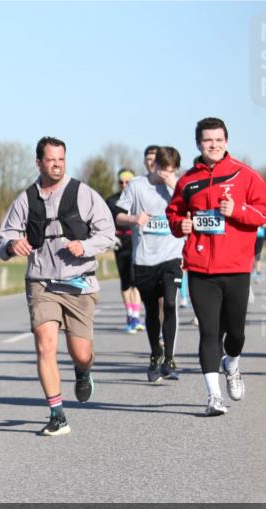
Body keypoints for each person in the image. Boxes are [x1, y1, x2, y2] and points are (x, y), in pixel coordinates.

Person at [0, 136, 115, 436]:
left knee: (81, 352)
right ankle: (56, 414)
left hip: (79, 283)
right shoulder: (25, 199)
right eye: (51, 159)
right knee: (45, 345)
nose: (57, 164)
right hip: (42, 282)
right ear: (39, 163)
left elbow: (108, 233)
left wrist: (85, 247)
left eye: (61, 159)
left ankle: (83, 371)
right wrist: (12, 245)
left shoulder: (83, 194)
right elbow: (3, 240)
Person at [166, 117, 266, 416]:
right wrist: (181, 224)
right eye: (207, 140)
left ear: (226, 142)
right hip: (201, 268)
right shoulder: (188, 181)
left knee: (236, 334)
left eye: (218, 140)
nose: (213, 145)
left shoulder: (244, 174)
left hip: (236, 266)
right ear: (199, 144)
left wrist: (237, 209)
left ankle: (233, 363)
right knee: (209, 332)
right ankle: (214, 397)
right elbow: (174, 214)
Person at [115, 147, 185, 383]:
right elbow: (117, 215)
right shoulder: (137, 185)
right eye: (164, 169)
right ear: (154, 166)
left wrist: (174, 184)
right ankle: (156, 353)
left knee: (171, 302)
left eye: (172, 170)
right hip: (144, 259)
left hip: (172, 255)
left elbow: (194, 206)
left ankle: (170, 359)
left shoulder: (180, 185)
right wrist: (134, 219)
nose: (167, 174)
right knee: (153, 310)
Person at [107, 169, 141, 332]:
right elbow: (106, 222)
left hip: (137, 242)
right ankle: (129, 315)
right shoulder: (112, 201)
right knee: (126, 281)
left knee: (137, 281)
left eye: (128, 182)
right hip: (120, 243)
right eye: (122, 182)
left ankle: (136, 315)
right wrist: (111, 239)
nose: (125, 185)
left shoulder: (139, 198)